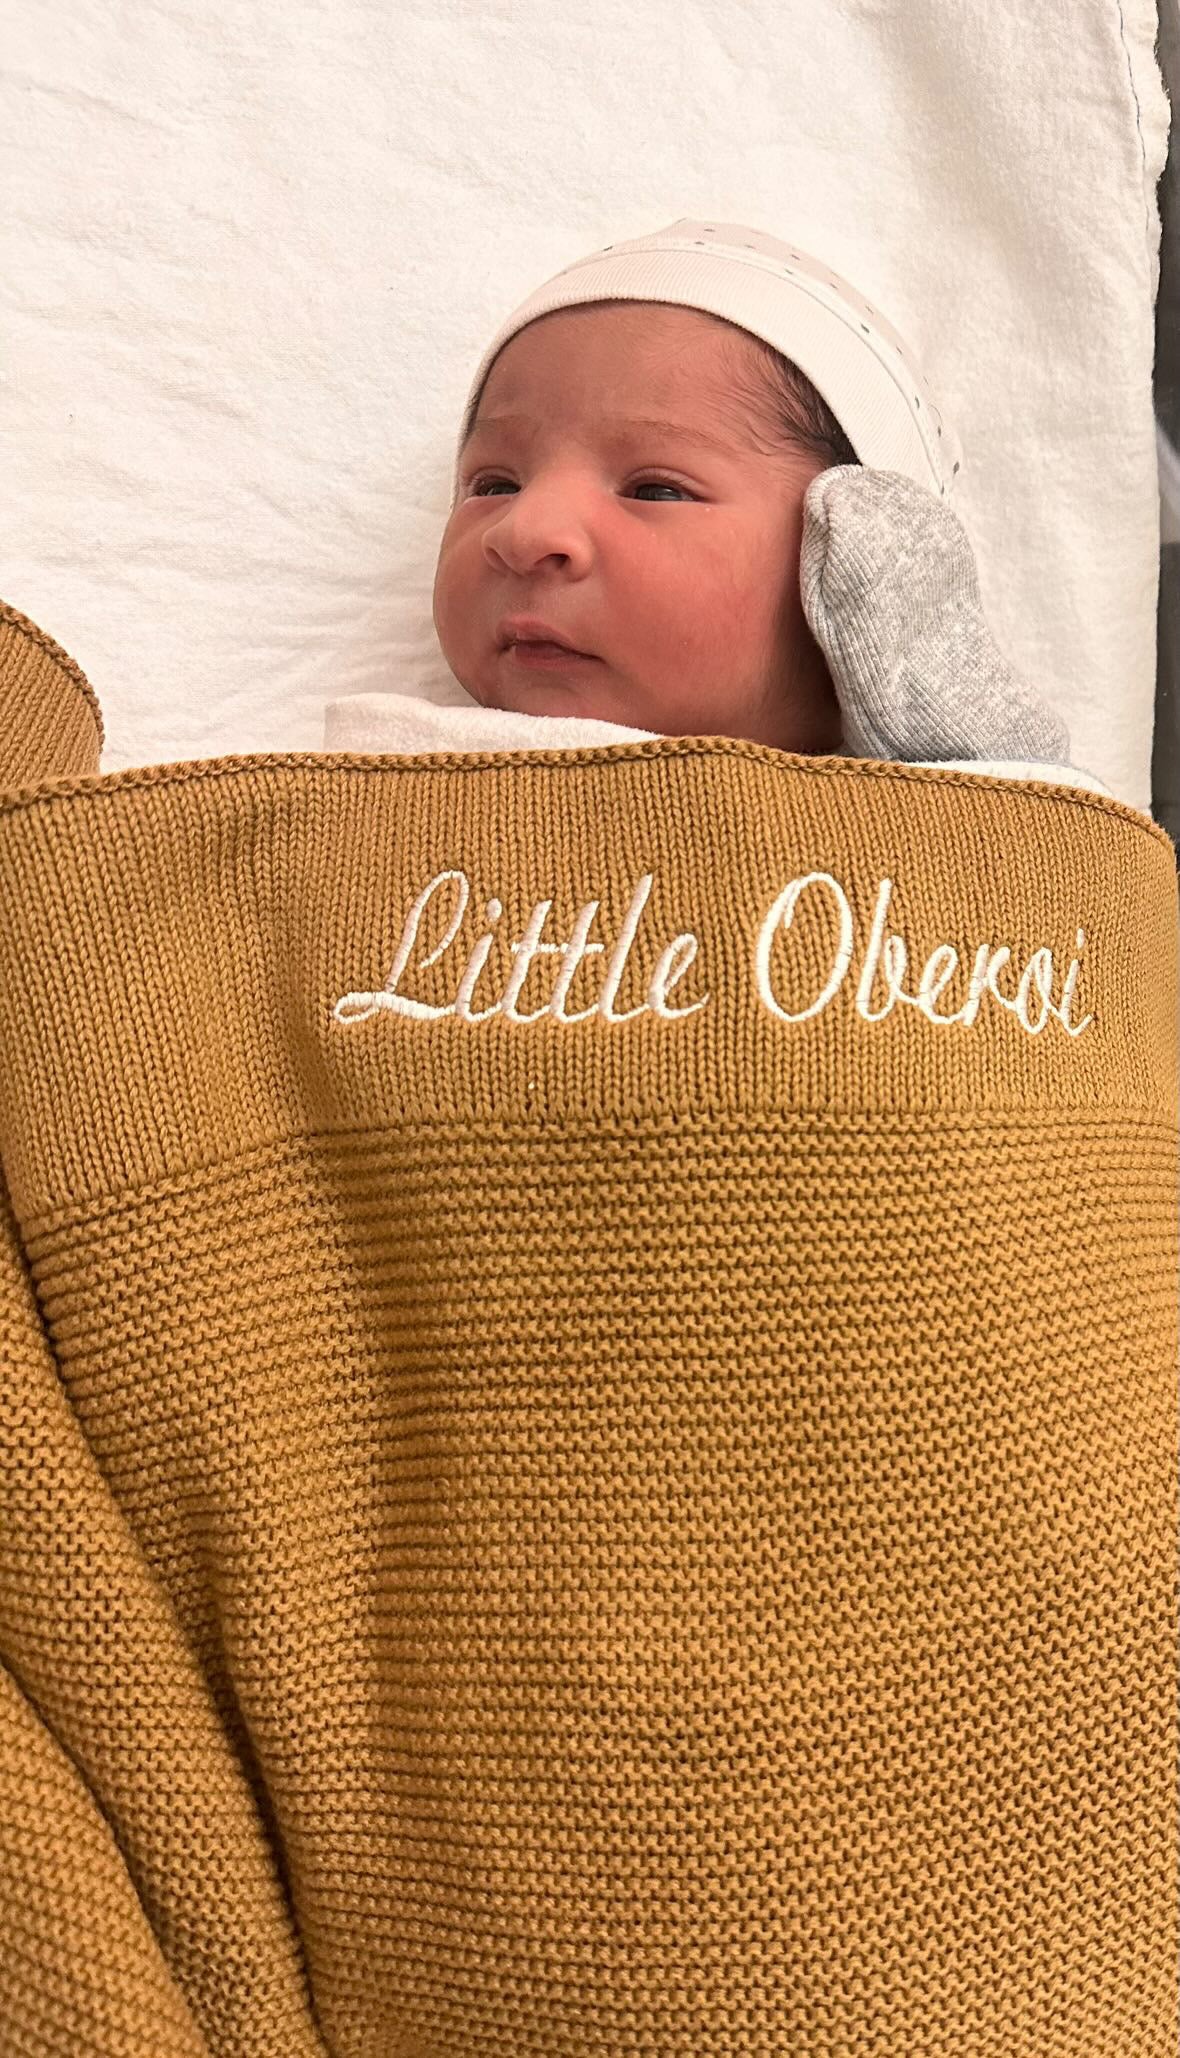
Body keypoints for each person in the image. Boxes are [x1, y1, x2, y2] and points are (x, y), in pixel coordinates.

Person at [423, 218, 1079, 776]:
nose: (523, 532)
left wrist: (986, 759)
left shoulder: (944, 840)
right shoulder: (380, 787)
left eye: (656, 489)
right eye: (493, 484)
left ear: (859, 567)